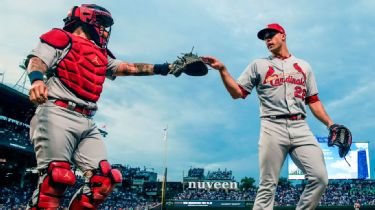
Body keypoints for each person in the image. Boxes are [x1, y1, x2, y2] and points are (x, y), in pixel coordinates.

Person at [24, 4, 173, 210]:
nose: (105, 30)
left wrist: (168, 68)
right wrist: (37, 81)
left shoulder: (101, 54)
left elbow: (128, 68)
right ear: (87, 20)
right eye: (102, 24)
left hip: (86, 120)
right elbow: (37, 60)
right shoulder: (61, 38)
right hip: (57, 112)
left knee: (104, 180)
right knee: (55, 180)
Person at [202, 23, 333, 210]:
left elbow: (313, 100)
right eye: (265, 38)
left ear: (283, 35)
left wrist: (330, 124)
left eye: (271, 35)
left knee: (320, 178)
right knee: (267, 186)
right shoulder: (259, 65)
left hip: (300, 126)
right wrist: (223, 70)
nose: (268, 40)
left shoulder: (304, 66)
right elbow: (237, 92)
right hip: (272, 126)